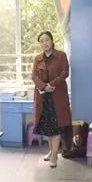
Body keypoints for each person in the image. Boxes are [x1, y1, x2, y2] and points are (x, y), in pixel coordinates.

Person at [31, 31, 71, 168]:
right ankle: (51, 151)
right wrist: (44, 86)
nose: (45, 43)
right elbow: (34, 76)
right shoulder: (38, 58)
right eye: (42, 41)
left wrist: (51, 85)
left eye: (47, 40)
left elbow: (65, 73)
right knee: (47, 126)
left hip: (57, 96)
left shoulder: (61, 55)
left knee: (57, 126)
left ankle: (54, 155)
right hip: (43, 97)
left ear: (52, 41)